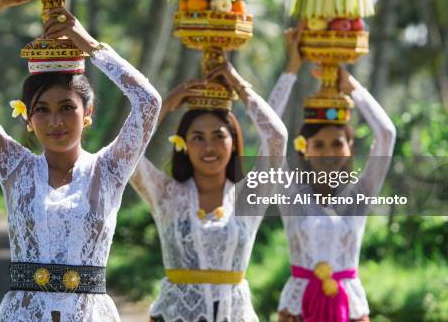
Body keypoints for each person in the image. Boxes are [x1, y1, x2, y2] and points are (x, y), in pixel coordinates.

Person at [0, 0, 162, 322]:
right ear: (28, 119)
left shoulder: (108, 171)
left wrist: (90, 45)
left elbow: (149, 102)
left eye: (67, 107)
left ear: (87, 113)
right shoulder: (14, 167)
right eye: (41, 109)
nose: (54, 121)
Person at [130, 62, 288, 322]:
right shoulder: (166, 194)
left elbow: (276, 138)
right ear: (183, 144)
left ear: (233, 142)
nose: (209, 147)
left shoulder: (250, 195)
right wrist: (167, 103)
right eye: (198, 138)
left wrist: (239, 85)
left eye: (218, 136)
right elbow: (127, 152)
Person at [270, 29, 396, 322]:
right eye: (319, 145)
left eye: (337, 143)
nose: (328, 152)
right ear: (305, 150)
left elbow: (387, 134)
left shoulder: (361, 191)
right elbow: (269, 131)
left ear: (350, 147)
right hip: (297, 308)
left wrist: (353, 88)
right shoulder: (290, 192)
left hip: (350, 309)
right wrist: (291, 69)